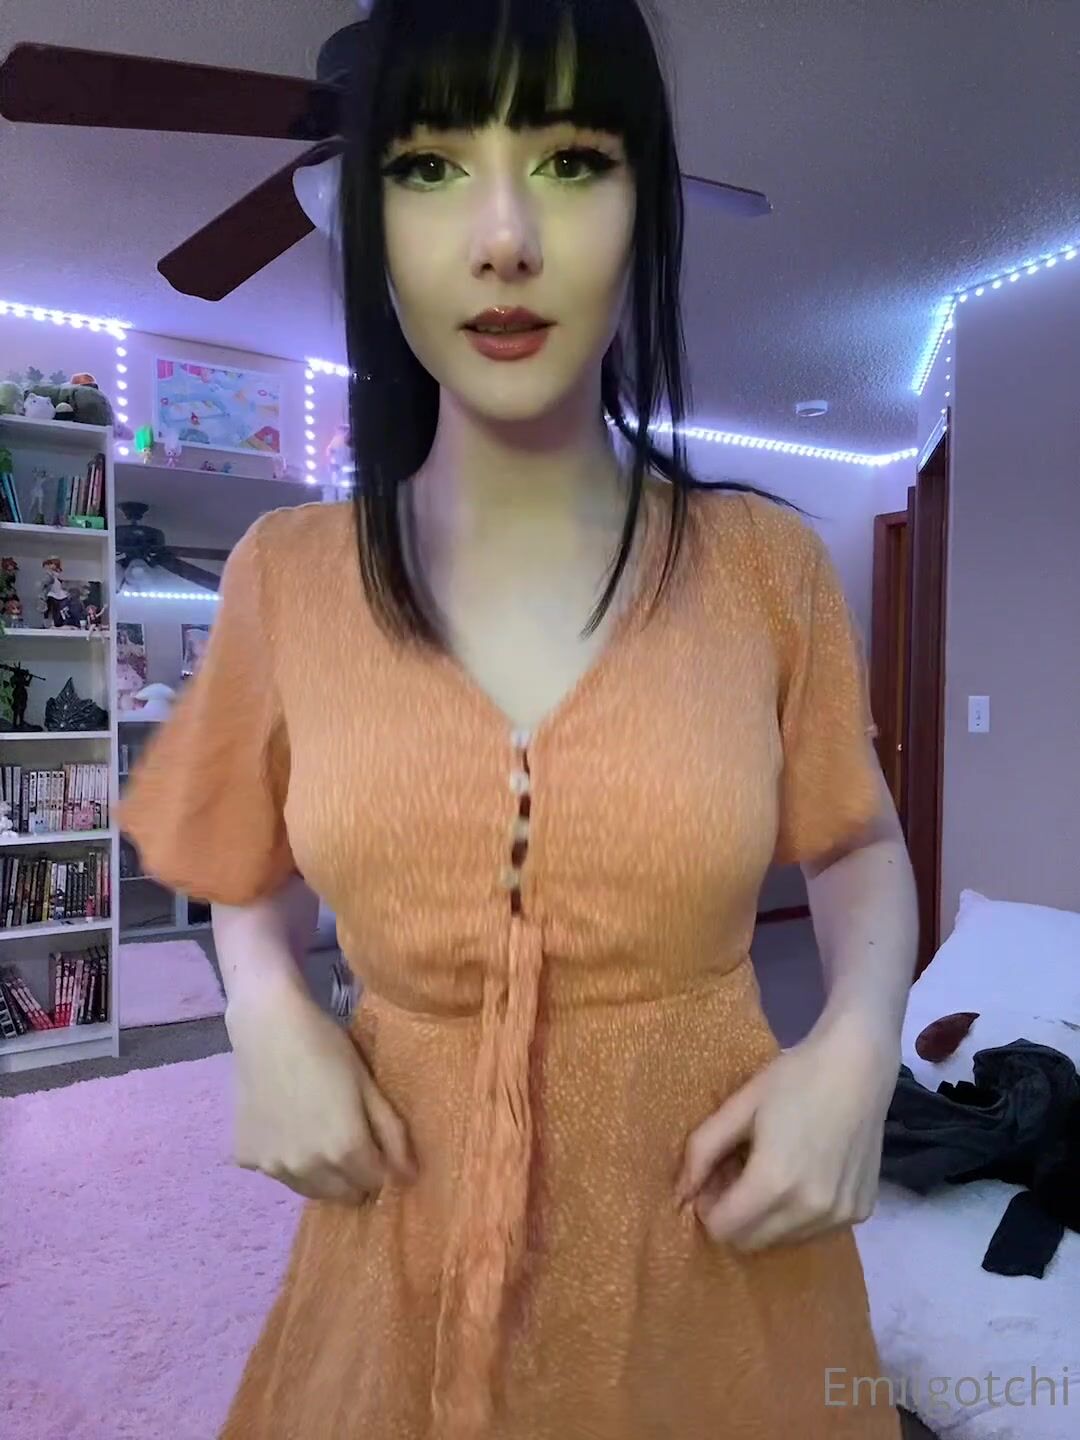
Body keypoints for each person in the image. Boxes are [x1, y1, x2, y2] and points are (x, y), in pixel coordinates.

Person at [119, 1, 919, 1436]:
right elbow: (239, 861)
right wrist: (266, 1006)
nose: (502, 238)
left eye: (568, 161)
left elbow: (856, 842)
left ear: (641, 206)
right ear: (368, 224)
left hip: (716, 1254)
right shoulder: (285, 576)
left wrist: (857, 1045)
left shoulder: (769, 568)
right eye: (427, 167)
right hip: (399, 1248)